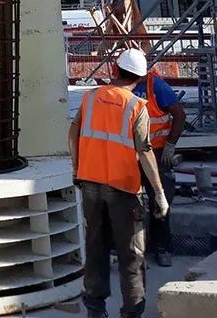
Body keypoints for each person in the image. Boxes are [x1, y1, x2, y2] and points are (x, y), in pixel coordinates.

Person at [69, 48, 169, 318]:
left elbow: (74, 131)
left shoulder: (90, 98)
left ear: (115, 70)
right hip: (123, 189)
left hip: (90, 184)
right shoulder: (136, 106)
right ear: (140, 77)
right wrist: (159, 193)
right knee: (132, 255)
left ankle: (95, 310)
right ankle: (132, 312)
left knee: (96, 247)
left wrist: (76, 168)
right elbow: (145, 151)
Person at [132, 59, 186, 266]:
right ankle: (131, 250)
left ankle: (162, 248)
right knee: (126, 202)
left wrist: (170, 145)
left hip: (156, 153)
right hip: (129, 154)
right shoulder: (118, 88)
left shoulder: (155, 85)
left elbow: (179, 114)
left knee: (160, 201)